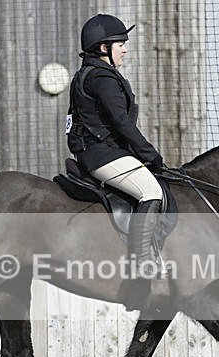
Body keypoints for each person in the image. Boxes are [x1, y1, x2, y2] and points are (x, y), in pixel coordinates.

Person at [66, 13, 164, 311]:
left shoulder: (93, 74)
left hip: (99, 151)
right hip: (103, 154)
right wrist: (151, 156)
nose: (125, 48)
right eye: (120, 43)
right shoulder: (101, 78)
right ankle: (140, 265)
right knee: (152, 192)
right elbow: (121, 124)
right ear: (103, 48)